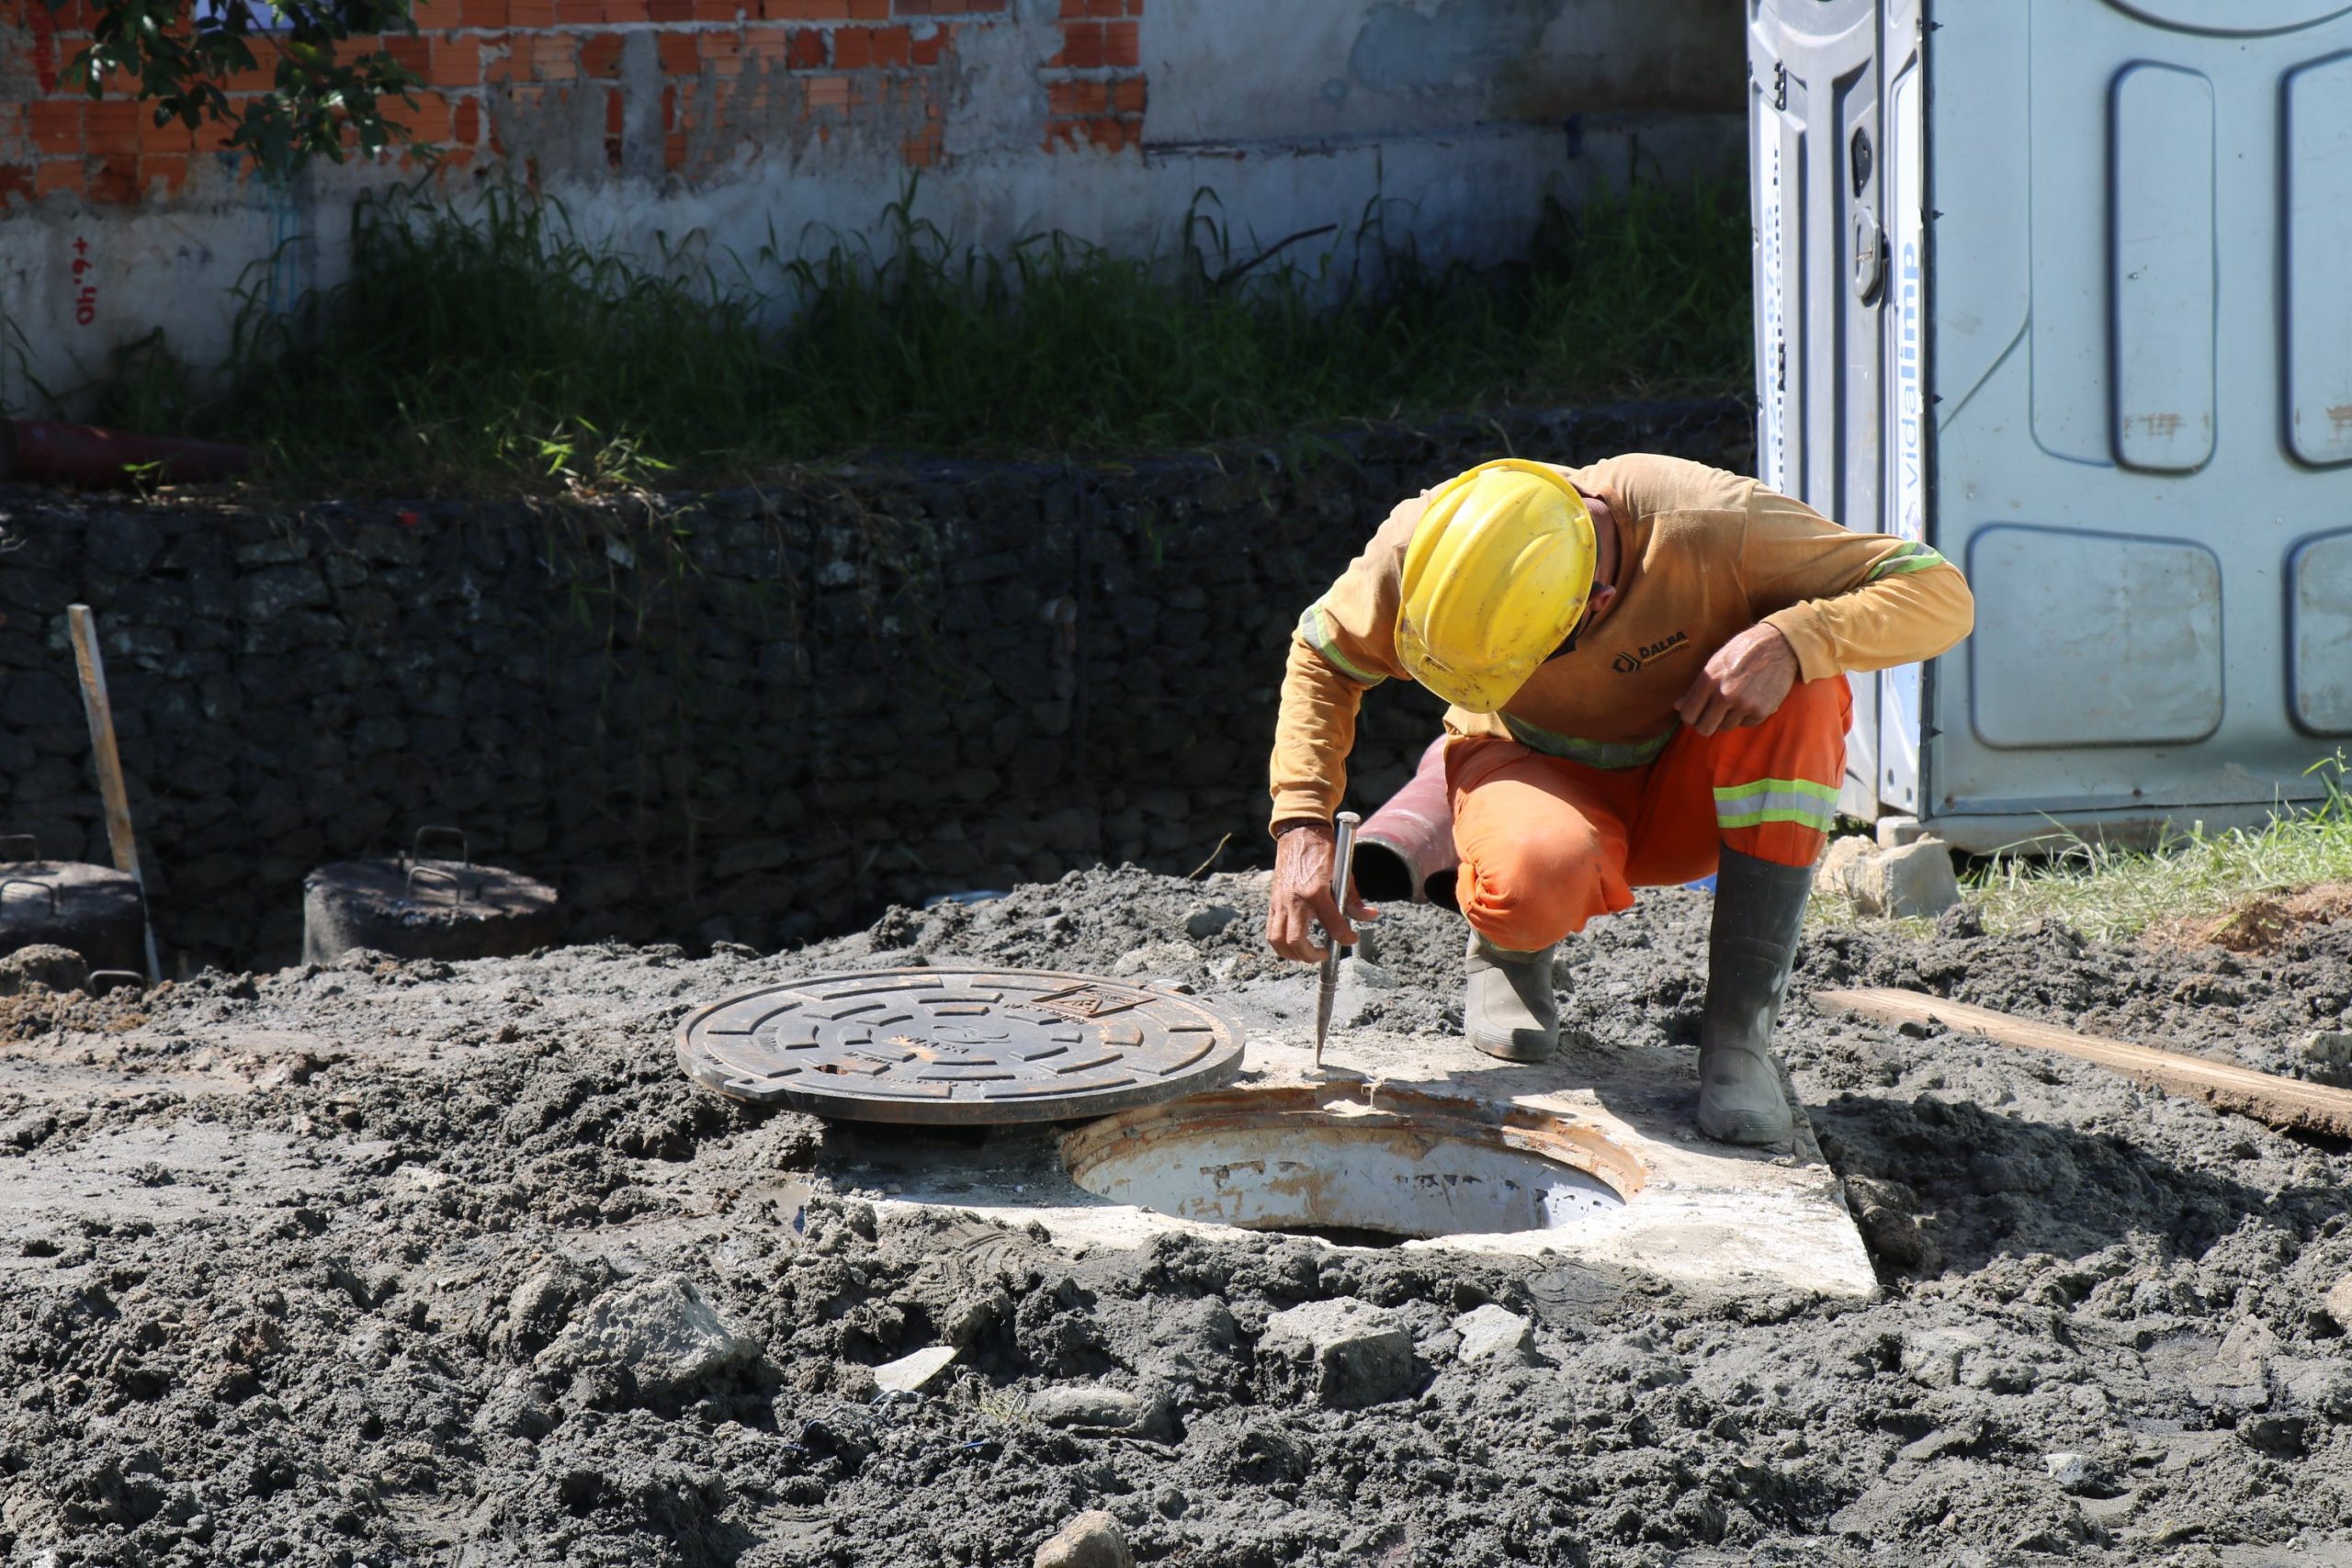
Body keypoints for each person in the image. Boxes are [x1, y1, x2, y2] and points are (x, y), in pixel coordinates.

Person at [1263, 456, 1974, 1144]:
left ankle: (1739, 1034)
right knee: (1537, 872)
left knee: (1808, 691)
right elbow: (1323, 654)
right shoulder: (1432, 547)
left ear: (1598, 603)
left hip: (1688, 790)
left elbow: (1940, 591)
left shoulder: (1712, 525)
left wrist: (1792, 637)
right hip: (1530, 769)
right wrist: (1301, 824)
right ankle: (1510, 950)